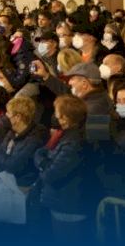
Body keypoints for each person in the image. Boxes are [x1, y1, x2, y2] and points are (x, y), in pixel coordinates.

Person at [34, 94, 92, 239]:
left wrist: (41, 162)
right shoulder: (65, 136)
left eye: (57, 113)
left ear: (65, 117)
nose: (55, 116)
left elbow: (51, 174)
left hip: (69, 205)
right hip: (61, 202)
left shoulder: (74, 142)